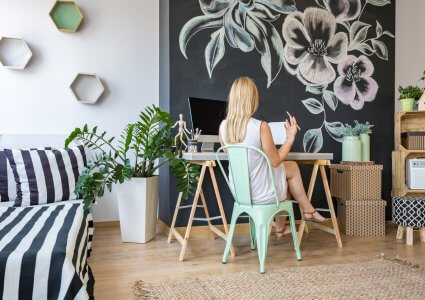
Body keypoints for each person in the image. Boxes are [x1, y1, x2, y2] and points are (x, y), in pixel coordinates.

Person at [219, 77, 326, 239]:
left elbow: (232, 157)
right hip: (261, 194)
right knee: (290, 169)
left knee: (283, 176)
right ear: (253, 99)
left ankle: (282, 228)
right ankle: (308, 210)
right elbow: (275, 161)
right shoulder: (260, 126)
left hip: (240, 193)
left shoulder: (223, 126)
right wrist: (290, 138)